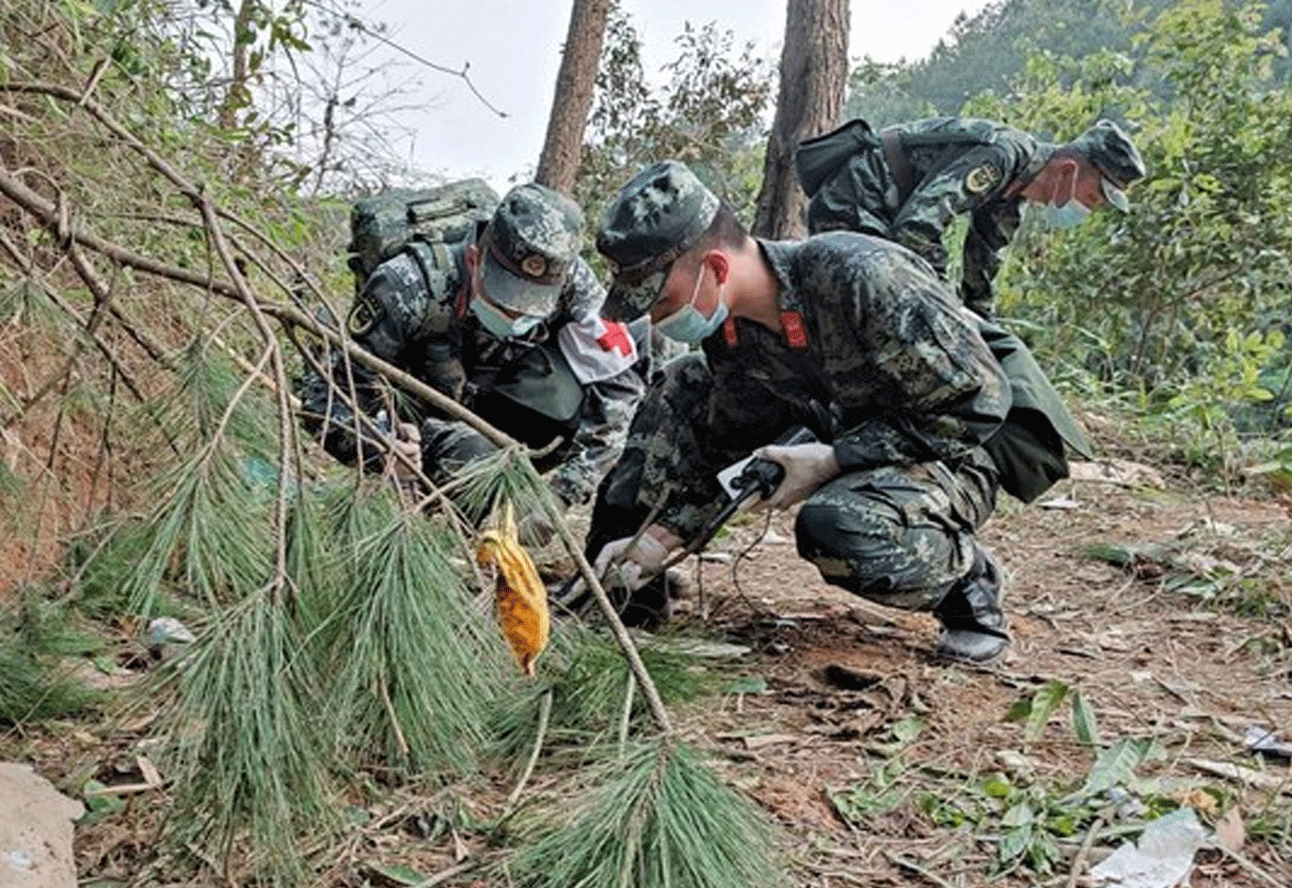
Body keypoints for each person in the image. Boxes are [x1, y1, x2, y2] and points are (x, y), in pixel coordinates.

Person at [584, 160, 1088, 664]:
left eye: (659, 299)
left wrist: (834, 460)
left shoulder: (861, 276)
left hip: (957, 447)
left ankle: (969, 585)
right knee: (684, 381)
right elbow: (729, 448)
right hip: (846, 431)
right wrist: (658, 538)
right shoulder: (730, 334)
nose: (653, 317)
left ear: (716, 268)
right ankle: (624, 586)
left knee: (839, 528)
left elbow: (978, 403)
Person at [298, 182, 645, 536]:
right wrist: (383, 447)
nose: (515, 316)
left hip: (504, 408)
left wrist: (562, 494)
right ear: (474, 260)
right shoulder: (406, 286)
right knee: (474, 461)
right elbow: (324, 399)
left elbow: (619, 387)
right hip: (422, 423)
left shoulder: (575, 283)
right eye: (503, 300)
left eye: (532, 308)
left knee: (635, 381)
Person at [801, 117, 1147, 319]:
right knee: (862, 314)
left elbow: (980, 272)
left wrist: (982, 329)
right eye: (1091, 197)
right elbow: (917, 227)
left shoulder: (1012, 197)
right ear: (1069, 170)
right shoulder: (1002, 156)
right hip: (855, 199)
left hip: (884, 216)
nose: (1086, 209)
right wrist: (944, 304)